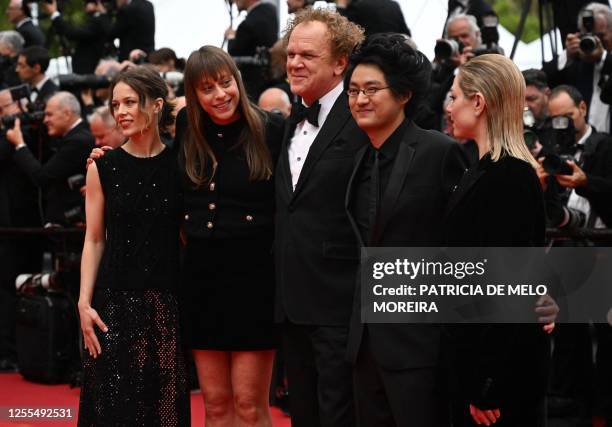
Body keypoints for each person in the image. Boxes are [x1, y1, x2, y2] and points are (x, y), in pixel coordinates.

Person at [344, 33, 467, 427]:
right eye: (353, 90)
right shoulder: (358, 159)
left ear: (403, 95)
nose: (360, 99)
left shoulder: (438, 152)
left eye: (371, 89)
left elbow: (463, 244)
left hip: (421, 346)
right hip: (364, 346)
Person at [177, 45, 284, 426]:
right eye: (207, 89)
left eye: (225, 83)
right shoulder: (187, 129)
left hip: (254, 278)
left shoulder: (271, 129)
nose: (220, 95)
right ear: (194, 94)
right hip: (202, 277)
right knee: (216, 406)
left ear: (237, 81)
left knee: (249, 406)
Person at [77, 66, 189, 425]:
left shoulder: (181, 164)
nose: (121, 111)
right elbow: (94, 239)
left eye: (130, 102)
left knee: (164, 412)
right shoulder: (103, 167)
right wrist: (83, 303)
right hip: (112, 305)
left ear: (156, 105)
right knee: (113, 410)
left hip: (166, 304)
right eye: (115, 104)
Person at [444, 54, 551, 427]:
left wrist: (487, 383)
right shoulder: (481, 169)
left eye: (454, 97)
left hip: (500, 383)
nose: (449, 107)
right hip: (479, 363)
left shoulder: (510, 176)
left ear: (478, 102)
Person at [275, 8, 366, 427]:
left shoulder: (363, 117)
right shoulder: (290, 120)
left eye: (307, 55)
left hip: (342, 302)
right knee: (303, 416)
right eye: (291, 54)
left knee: (340, 416)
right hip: (291, 303)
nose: (294, 62)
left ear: (340, 63)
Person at [6, 92, 94, 226]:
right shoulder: (73, 136)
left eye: (49, 114)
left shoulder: (78, 141)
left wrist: (19, 144)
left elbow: (42, 177)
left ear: (67, 114)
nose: (45, 120)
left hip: (70, 225)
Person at [225, 0, 279, 100]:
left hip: (254, 88)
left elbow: (233, 52)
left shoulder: (247, 25)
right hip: (271, 81)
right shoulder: (269, 11)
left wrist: (231, 37)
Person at [44, 0, 111, 74]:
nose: (85, 5)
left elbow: (72, 33)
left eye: (88, 2)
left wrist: (54, 14)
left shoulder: (98, 21)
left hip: (87, 71)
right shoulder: (99, 20)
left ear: (98, 3)